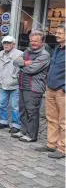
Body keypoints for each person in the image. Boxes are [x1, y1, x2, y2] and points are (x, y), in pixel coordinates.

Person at [13, 30, 50, 142]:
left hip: (34, 87)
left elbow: (32, 69)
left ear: (42, 42)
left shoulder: (44, 55)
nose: (33, 43)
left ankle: (31, 135)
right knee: (23, 109)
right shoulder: (27, 51)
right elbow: (15, 61)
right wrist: (24, 63)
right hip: (23, 85)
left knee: (32, 111)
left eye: (36, 41)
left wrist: (22, 65)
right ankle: (23, 131)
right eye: (31, 41)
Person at [35, 25, 65, 159]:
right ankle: (51, 144)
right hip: (51, 88)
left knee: (64, 121)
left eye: (60, 33)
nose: (56, 35)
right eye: (56, 32)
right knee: (51, 118)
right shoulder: (58, 48)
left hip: (62, 90)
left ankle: (62, 148)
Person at [0, 35, 23, 133]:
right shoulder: (0, 53)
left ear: (13, 44)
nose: (6, 45)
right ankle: (3, 121)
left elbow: (23, 69)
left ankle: (16, 125)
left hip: (14, 83)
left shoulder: (20, 54)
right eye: (4, 43)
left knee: (15, 106)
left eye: (8, 43)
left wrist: (17, 78)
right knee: (1, 104)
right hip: (2, 83)